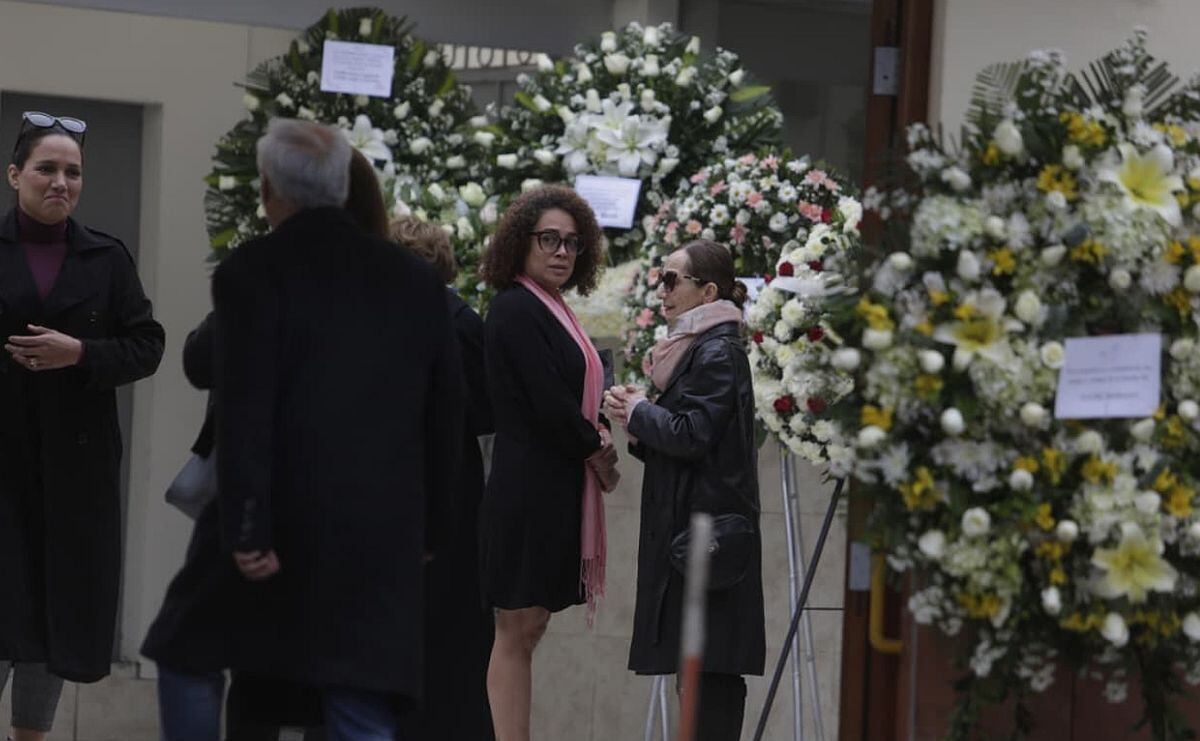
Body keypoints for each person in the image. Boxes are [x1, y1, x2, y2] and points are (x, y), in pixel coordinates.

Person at [152, 118, 462, 740]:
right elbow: (444, 413)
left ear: (268, 188)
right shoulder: (416, 281)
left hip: (279, 513)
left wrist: (245, 528)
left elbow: (246, 408)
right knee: (358, 689)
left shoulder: (254, 270)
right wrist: (431, 531)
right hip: (376, 528)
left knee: (186, 651)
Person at [0, 111, 165, 741]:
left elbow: (147, 345)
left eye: (73, 172)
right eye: (46, 168)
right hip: (5, 462)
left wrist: (83, 354)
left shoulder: (107, 258)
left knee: (53, 616)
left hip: (75, 471)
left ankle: (31, 735)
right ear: (15, 174)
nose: (60, 182)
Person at [603, 239, 765, 741]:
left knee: (708, 681)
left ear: (708, 291)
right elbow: (685, 434)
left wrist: (639, 412)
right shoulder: (697, 348)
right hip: (696, 537)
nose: (663, 289)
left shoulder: (717, 351)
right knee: (697, 676)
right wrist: (640, 415)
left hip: (709, 539)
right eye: (661, 277)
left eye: (673, 279)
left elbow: (691, 434)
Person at [478, 184, 619, 741]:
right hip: (527, 488)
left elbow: (579, 392)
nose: (562, 251)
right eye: (549, 239)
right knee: (517, 627)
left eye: (572, 242)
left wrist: (598, 436)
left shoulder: (555, 307)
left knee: (528, 627)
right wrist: (598, 452)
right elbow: (548, 402)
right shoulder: (515, 306)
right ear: (522, 243)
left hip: (550, 485)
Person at [390, 216, 495, 740]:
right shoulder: (461, 321)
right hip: (451, 495)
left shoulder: (376, 321)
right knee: (453, 642)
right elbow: (485, 412)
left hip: (391, 495)